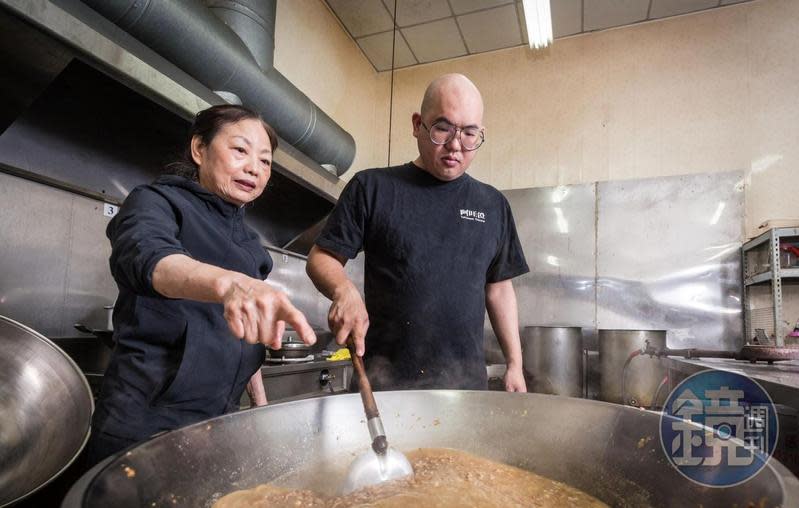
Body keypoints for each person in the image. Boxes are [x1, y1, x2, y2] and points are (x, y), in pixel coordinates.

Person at [87, 105, 316, 464]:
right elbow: (147, 256)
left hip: (219, 419)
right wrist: (228, 285)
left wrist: (260, 407)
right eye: (240, 150)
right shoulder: (155, 202)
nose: (254, 168)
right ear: (199, 149)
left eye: (266, 161)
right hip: (146, 420)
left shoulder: (250, 244)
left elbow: (247, 333)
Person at [306, 74, 528, 391]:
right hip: (385, 387)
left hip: (465, 391)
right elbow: (321, 257)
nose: (455, 145)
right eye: (442, 128)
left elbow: (499, 290)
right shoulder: (372, 188)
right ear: (416, 125)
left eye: (469, 134)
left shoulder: (493, 205)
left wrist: (515, 365)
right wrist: (344, 290)